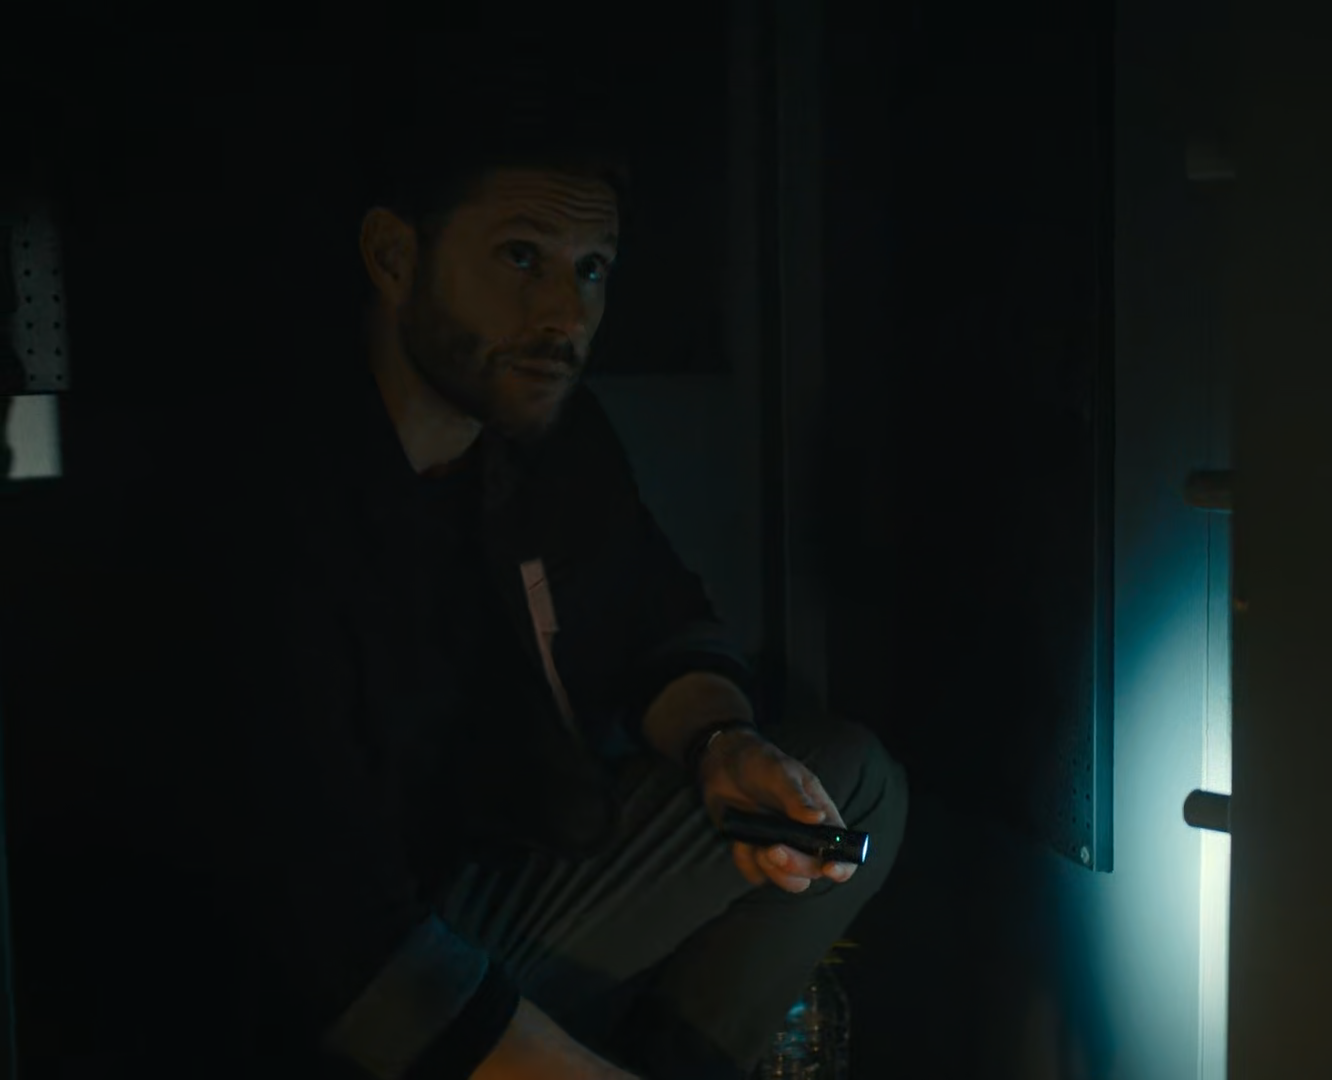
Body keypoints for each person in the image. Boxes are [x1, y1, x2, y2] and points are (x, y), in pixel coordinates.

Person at [172, 49, 908, 1080]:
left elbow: (657, 622)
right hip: (337, 977)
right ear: (394, 256)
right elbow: (328, 923)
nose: (564, 314)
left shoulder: (547, 440)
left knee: (847, 787)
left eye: (592, 269)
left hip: (506, 885)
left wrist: (721, 743)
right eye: (522, 257)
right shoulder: (279, 500)